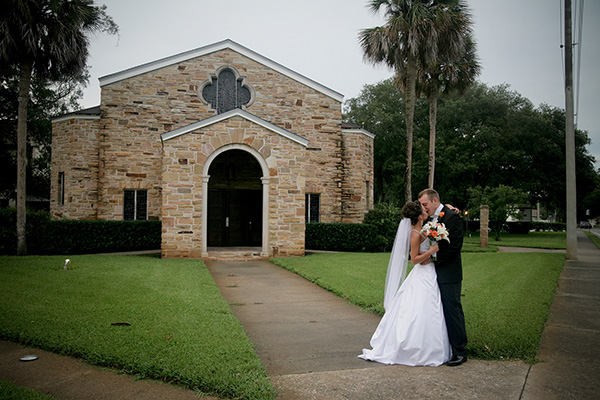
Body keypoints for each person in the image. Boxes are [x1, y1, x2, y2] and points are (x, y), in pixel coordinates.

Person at [358, 201, 451, 366]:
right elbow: (414, 259)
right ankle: (416, 348)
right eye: (423, 210)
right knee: (419, 308)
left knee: (431, 306)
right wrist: (430, 252)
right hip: (422, 273)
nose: (426, 211)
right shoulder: (415, 233)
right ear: (418, 216)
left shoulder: (424, 229)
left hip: (429, 271)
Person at [418, 188, 468, 366]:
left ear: (435, 200)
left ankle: (460, 352)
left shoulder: (452, 217)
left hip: (449, 272)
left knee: (452, 310)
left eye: (425, 204)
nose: (423, 208)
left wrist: (432, 258)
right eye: (421, 205)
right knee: (436, 312)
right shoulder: (429, 218)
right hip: (431, 275)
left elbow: (454, 247)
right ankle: (442, 348)